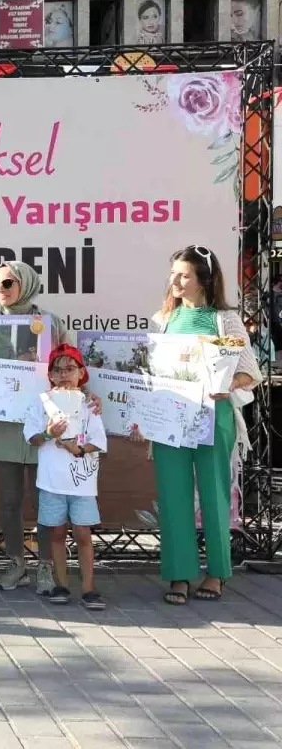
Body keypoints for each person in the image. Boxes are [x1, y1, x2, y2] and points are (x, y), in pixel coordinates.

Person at [148, 246, 262, 605]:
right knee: (173, 495)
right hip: (170, 418)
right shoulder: (162, 319)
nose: (176, 281)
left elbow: (249, 372)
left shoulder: (225, 320)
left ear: (204, 280)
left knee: (214, 492)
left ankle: (217, 573)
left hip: (213, 415)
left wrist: (222, 384)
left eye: (184, 275)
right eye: (173, 274)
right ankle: (179, 574)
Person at [0, 261, 66, 594]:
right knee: (9, 500)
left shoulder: (52, 324)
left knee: (44, 501)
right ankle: (16, 563)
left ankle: (46, 567)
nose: (2, 290)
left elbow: (71, 370)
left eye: (9, 283)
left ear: (25, 284)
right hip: (4, 428)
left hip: (43, 425)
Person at [23, 344, 108, 610]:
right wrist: (49, 433)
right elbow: (32, 438)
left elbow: (99, 442)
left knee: (83, 533)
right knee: (56, 533)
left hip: (82, 483)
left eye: (69, 369)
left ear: (81, 372)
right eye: (56, 370)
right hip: (51, 482)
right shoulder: (41, 402)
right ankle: (61, 584)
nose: (63, 375)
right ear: (49, 375)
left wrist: (77, 449)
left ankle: (89, 588)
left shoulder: (89, 404)